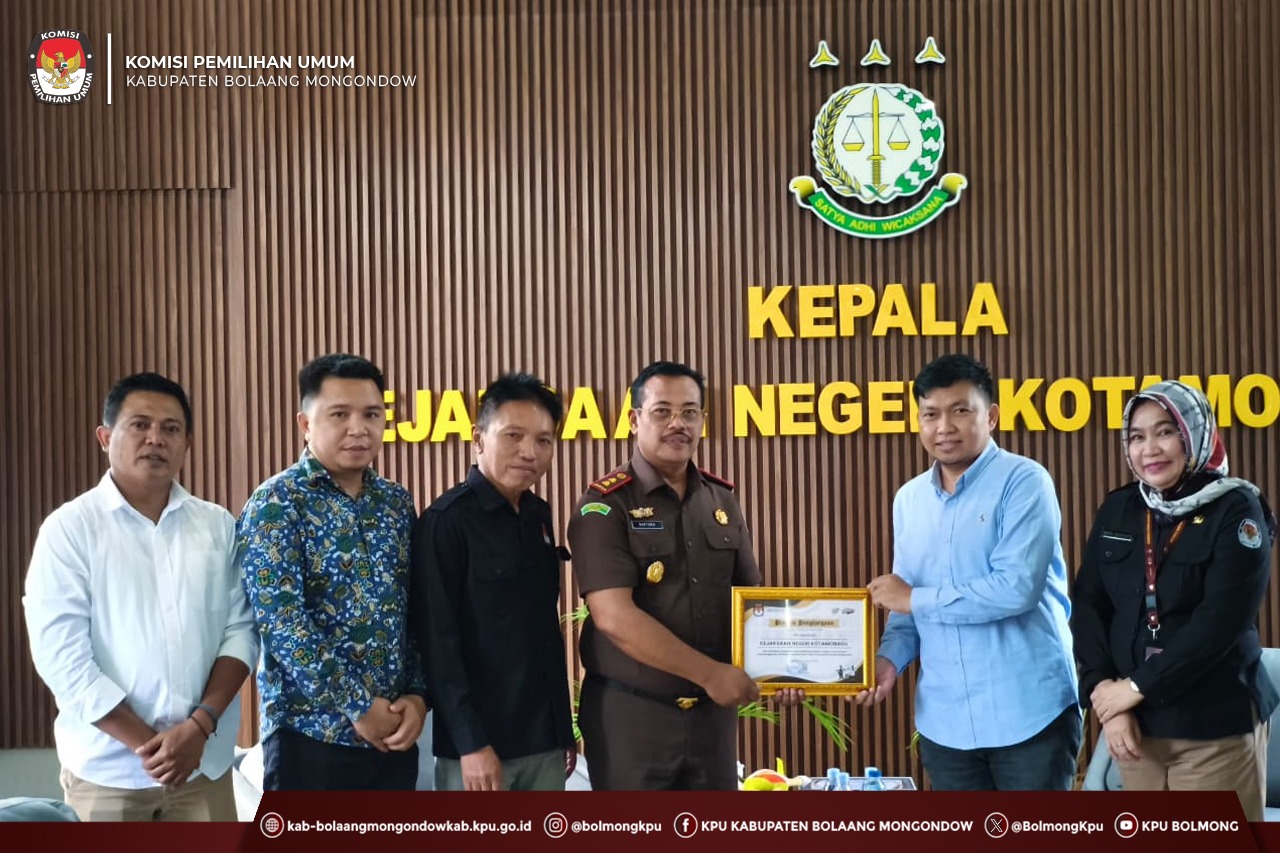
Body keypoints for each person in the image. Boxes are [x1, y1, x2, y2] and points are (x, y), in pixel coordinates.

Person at [23, 372, 257, 821]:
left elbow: (241, 630)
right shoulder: (69, 530)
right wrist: (150, 747)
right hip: (108, 775)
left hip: (202, 770)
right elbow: (61, 656)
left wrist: (198, 727)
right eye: (139, 425)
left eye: (170, 428)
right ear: (105, 437)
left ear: (187, 443)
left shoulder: (217, 526)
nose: (155, 438)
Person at [857, 353, 1081, 790]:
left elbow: (1016, 588)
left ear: (991, 416)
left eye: (960, 410)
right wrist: (887, 661)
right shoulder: (909, 500)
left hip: (1028, 713)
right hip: (945, 722)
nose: (944, 427)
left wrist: (913, 599)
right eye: (931, 414)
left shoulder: (1024, 481)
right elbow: (906, 604)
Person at [1071, 380, 1277, 819]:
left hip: (1212, 726)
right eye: (1137, 436)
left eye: (1165, 431)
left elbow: (1220, 623)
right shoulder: (1120, 508)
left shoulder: (1236, 509)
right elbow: (1088, 606)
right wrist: (1105, 695)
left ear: (1193, 434)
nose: (1150, 449)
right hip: (1135, 729)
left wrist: (1133, 688)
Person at [567, 360, 761, 790]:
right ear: (635, 419)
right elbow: (614, 618)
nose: (678, 423)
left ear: (703, 420)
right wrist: (710, 674)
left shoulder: (722, 500)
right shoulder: (604, 507)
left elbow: (751, 601)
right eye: (662, 411)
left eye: (690, 412)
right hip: (632, 721)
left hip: (711, 722)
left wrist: (780, 671)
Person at [238, 353, 427, 790]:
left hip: (393, 736)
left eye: (371, 414)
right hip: (309, 739)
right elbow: (282, 622)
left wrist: (418, 696)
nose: (358, 428)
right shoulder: (277, 502)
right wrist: (358, 706)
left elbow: (415, 609)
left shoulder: (396, 503)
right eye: (340, 414)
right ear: (305, 424)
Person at [411, 373, 575, 791]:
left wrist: (563, 730)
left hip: (544, 741)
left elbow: (544, 631)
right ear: (478, 438)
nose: (529, 452)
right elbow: (438, 644)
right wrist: (470, 744)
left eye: (543, 440)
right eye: (513, 435)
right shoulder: (445, 522)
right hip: (479, 750)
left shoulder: (538, 516)